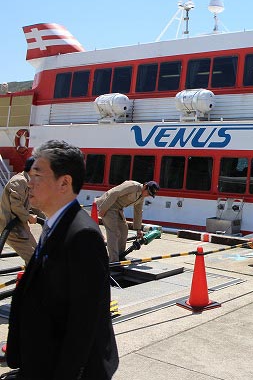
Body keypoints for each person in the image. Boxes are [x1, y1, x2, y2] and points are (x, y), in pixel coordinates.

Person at [6, 140, 118, 378]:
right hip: (41, 360)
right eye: (29, 175)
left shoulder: (83, 235)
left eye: (37, 175)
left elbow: (84, 322)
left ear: (64, 183)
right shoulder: (54, 224)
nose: (29, 182)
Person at [96, 179, 159, 263]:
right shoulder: (132, 186)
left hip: (118, 209)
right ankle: (113, 261)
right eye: (148, 193)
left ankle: (120, 255)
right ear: (145, 186)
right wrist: (103, 209)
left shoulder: (141, 197)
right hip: (108, 205)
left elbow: (138, 212)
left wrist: (138, 229)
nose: (147, 195)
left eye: (150, 195)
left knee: (124, 230)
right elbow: (114, 193)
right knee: (114, 232)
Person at [0, 157, 38, 262]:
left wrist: (47, 218)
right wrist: (29, 217)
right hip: (11, 228)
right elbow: (16, 206)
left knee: (38, 254)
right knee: (33, 259)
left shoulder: (29, 182)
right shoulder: (19, 181)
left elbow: (33, 204)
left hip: (21, 226)